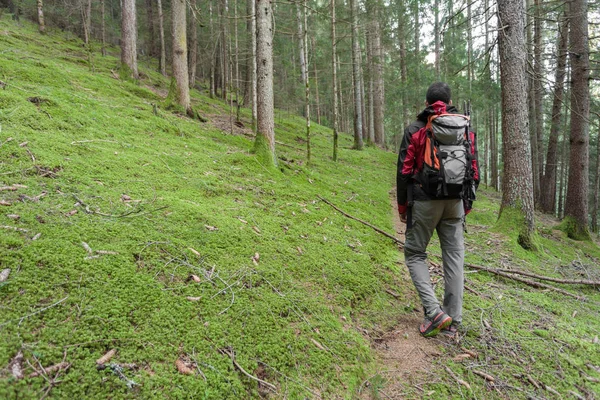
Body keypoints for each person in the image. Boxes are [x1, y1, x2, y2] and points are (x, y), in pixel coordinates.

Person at [396, 82, 479, 338]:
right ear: (450, 101)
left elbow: (404, 172)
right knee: (454, 257)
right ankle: (453, 321)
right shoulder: (464, 129)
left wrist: (402, 206)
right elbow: (474, 170)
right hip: (455, 201)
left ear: (426, 103)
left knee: (414, 253)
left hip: (424, 201)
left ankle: (434, 313)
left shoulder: (416, 130)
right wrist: (466, 204)